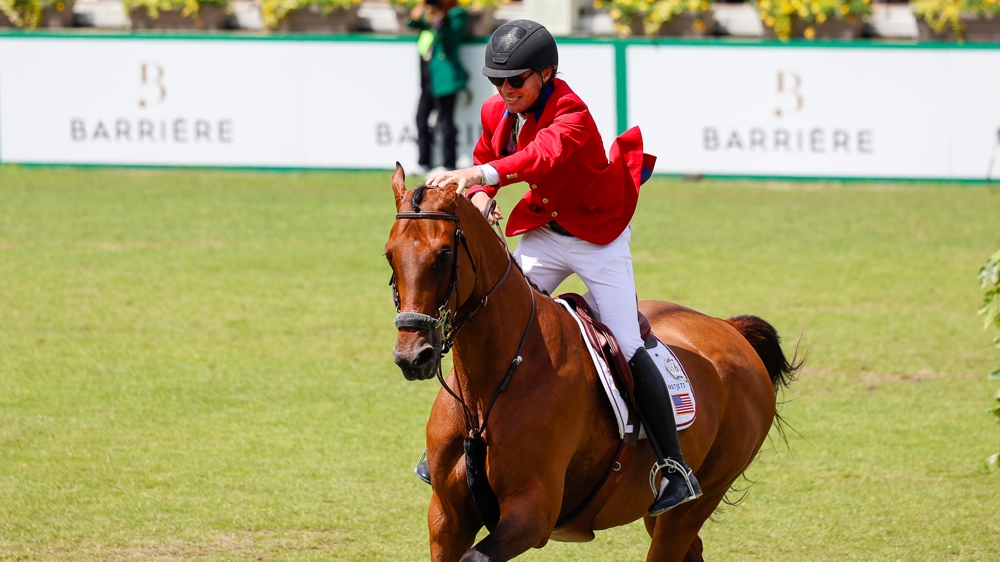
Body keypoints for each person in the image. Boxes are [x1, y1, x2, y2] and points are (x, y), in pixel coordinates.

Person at [422, 19, 703, 516]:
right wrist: (485, 196)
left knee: (628, 341)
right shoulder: (497, 111)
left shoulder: (572, 112)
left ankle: (674, 468)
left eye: (516, 81)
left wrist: (480, 176)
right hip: (547, 234)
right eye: (497, 82)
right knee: (487, 317)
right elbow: (489, 154)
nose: (505, 91)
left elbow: (539, 157)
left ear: (546, 74)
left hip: (599, 239)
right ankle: (452, 439)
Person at [408, 0, 468, 174]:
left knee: (445, 121)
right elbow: (414, 22)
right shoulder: (431, 10)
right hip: (429, 77)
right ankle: (423, 162)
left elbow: (451, 38)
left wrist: (440, 19)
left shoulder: (456, 14)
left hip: (445, 77)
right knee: (421, 118)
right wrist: (421, 9)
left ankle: (449, 163)